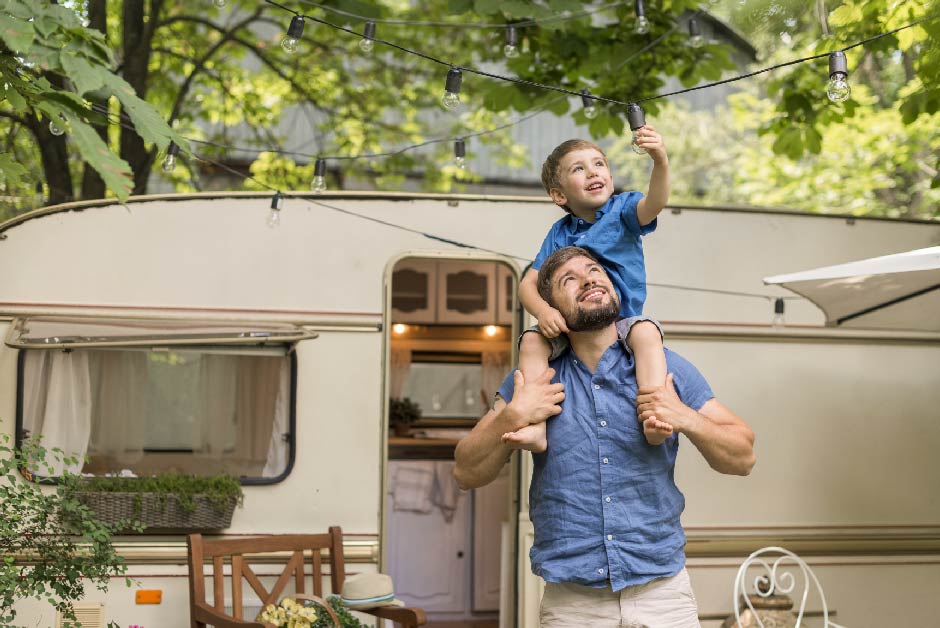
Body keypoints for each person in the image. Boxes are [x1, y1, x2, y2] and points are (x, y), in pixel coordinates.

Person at [454, 246, 756, 628]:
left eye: (594, 270)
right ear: (552, 311)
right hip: (572, 603)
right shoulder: (534, 378)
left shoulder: (665, 366)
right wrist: (512, 415)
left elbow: (744, 456)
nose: (589, 279)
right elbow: (466, 472)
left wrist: (685, 417)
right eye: (570, 280)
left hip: (662, 595)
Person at [510, 132, 670, 453]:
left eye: (599, 164)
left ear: (610, 176)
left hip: (621, 322)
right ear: (559, 195)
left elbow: (656, 202)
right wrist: (544, 312)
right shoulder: (560, 233)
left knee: (648, 334)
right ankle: (535, 426)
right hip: (575, 328)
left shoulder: (622, 210)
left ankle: (654, 416)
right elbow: (527, 284)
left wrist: (660, 161)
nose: (593, 172)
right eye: (578, 169)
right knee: (530, 340)